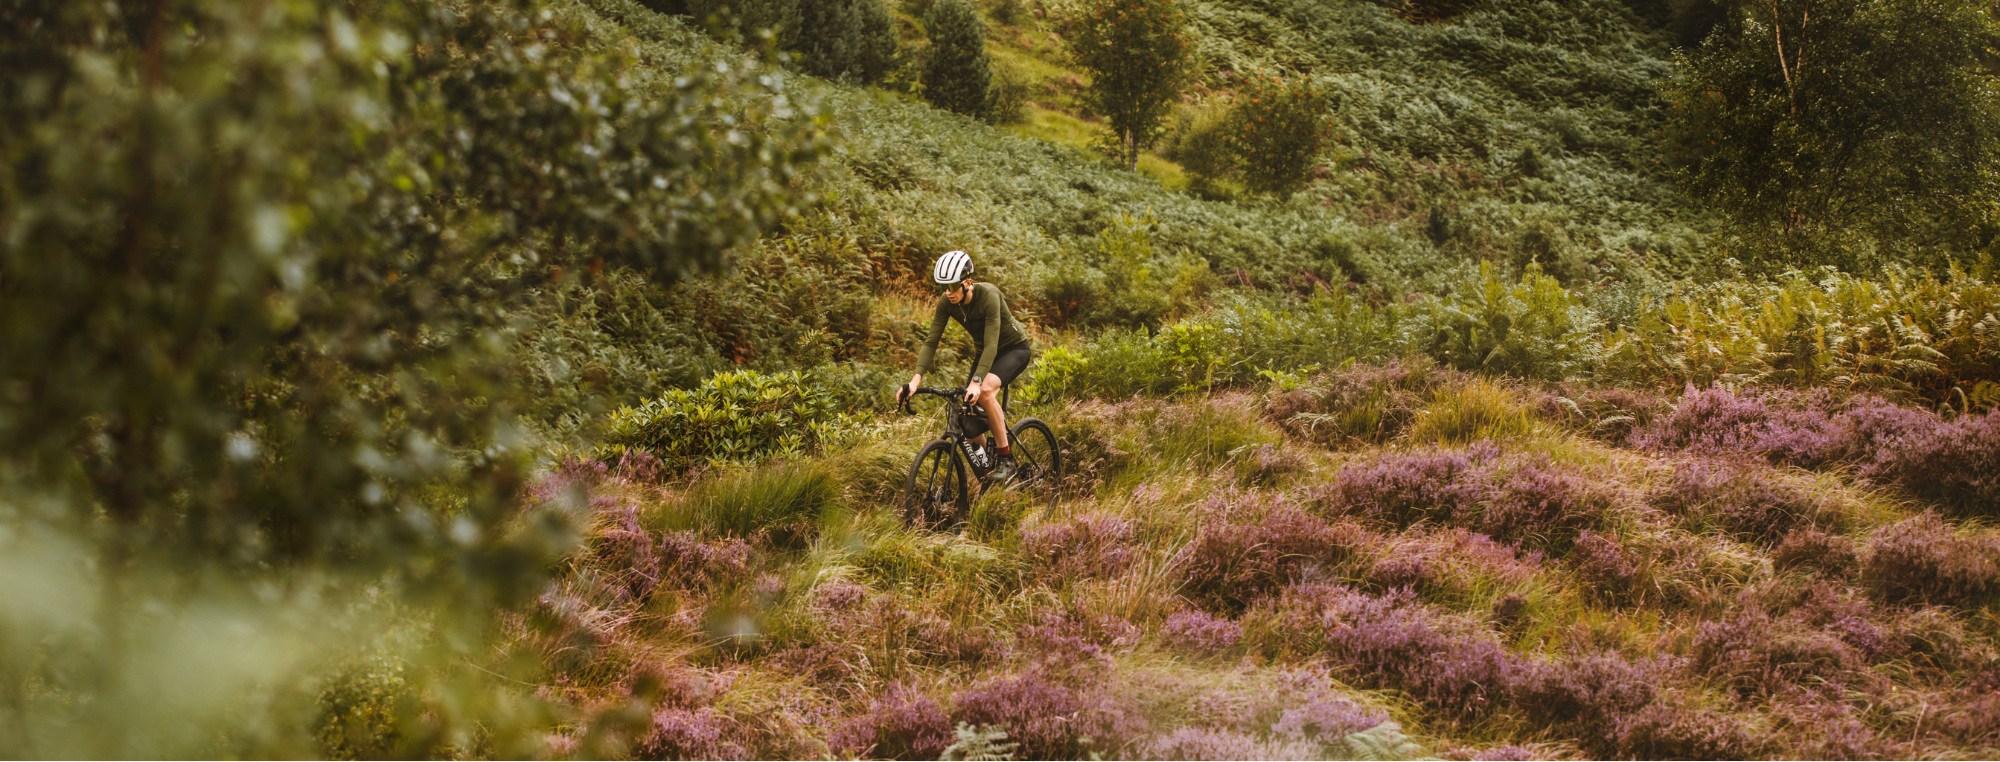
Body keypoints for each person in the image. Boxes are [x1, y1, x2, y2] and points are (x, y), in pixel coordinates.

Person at [899, 250, 1033, 481]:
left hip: (1013, 349)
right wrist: (914, 382)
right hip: (985, 355)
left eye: (953, 286)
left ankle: (1006, 459)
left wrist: (977, 382)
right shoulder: (947, 302)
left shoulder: (989, 295)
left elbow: (991, 344)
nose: (948, 292)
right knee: (966, 415)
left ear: (968, 282)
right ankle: (990, 467)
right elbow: (931, 342)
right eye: (944, 287)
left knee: (985, 391)